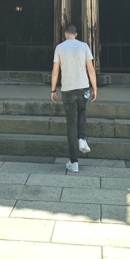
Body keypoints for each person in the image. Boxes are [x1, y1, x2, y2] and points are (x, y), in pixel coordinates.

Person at [50, 24, 98, 173]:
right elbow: (90, 68)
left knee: (71, 123)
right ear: (76, 34)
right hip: (83, 86)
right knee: (82, 110)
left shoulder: (60, 47)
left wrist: (53, 90)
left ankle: (73, 161)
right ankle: (82, 138)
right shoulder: (84, 46)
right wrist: (95, 87)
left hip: (68, 89)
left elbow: (55, 71)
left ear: (66, 34)